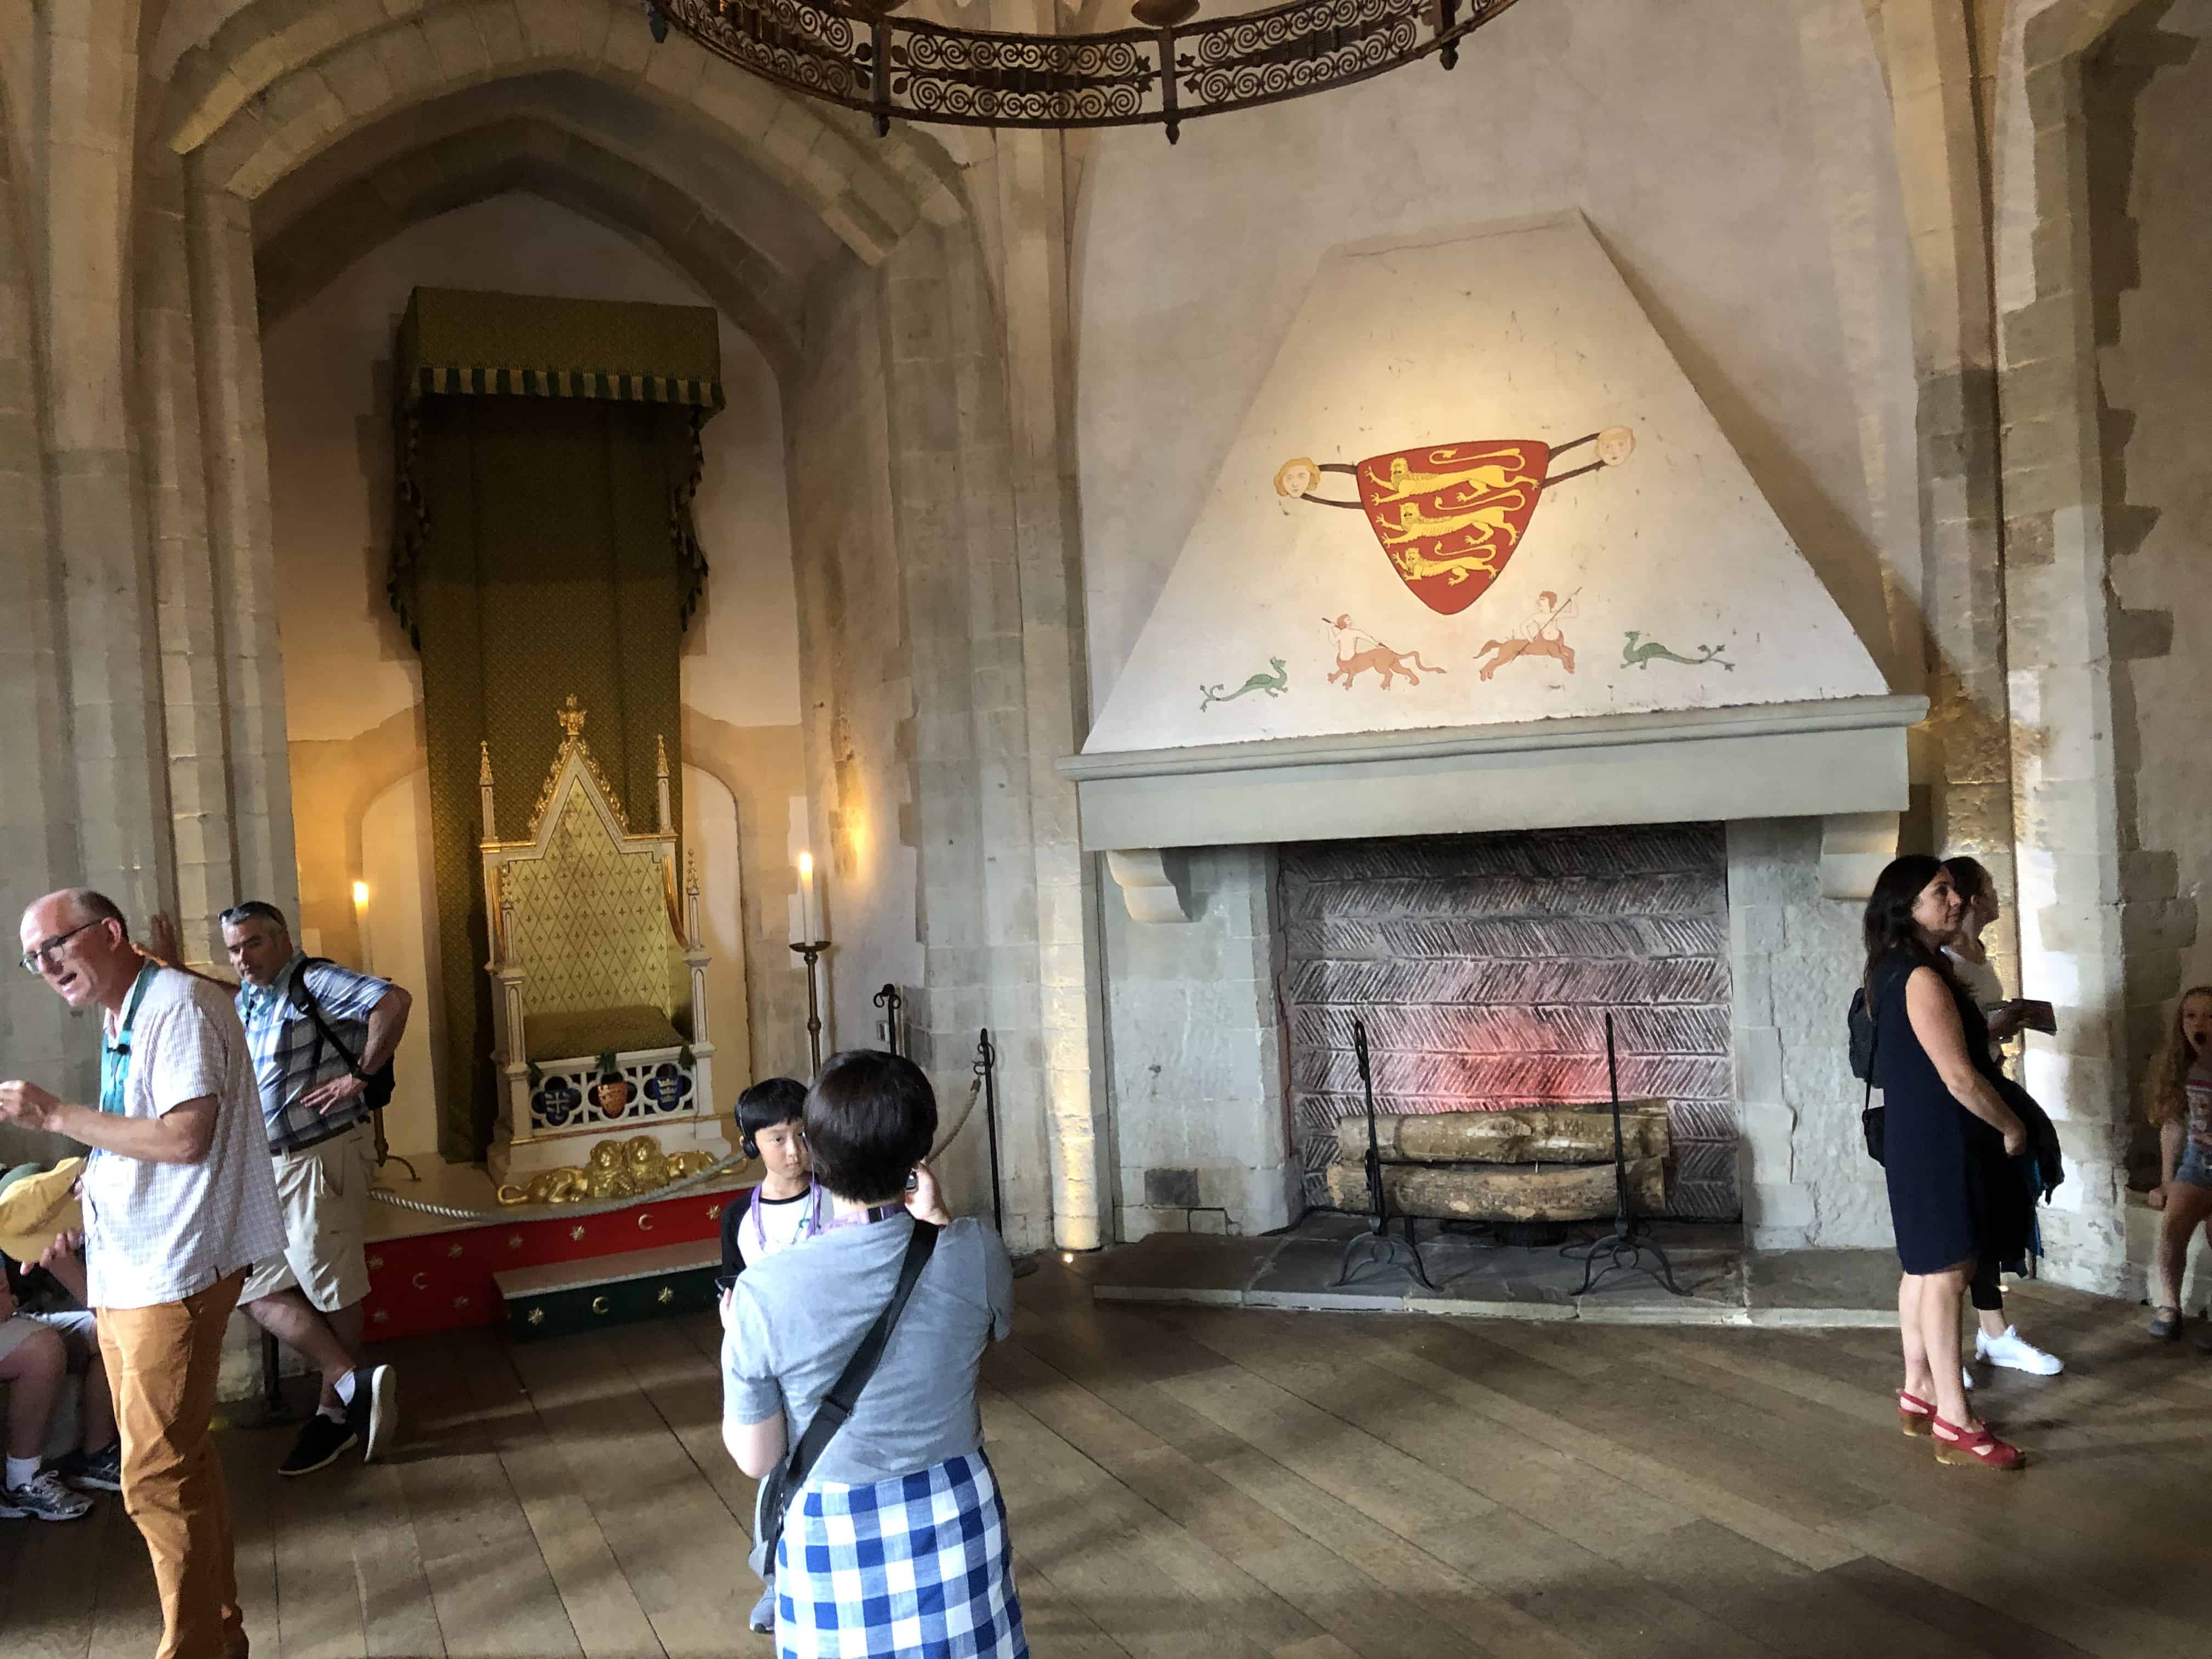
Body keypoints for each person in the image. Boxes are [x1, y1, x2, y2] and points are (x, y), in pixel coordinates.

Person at [0, 888, 286, 1659]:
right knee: (179, 1464)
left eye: (54, 945)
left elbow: (187, 1138)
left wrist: (56, 1116)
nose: (45, 964)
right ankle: (221, 1640)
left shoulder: (179, 1007)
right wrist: (75, 1198)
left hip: (176, 1267)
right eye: (33, 957)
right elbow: (137, 1127)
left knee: (155, 1476)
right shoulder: (125, 1005)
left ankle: (193, 1650)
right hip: (135, 1260)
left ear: (109, 934)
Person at [722, 1050, 1025, 1656]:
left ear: (817, 1152)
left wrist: (737, 1342)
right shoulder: (978, 1250)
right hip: (954, 1505)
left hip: (835, 1519)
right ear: (921, 1151)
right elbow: (987, 1330)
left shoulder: (767, 1290)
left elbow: (758, 1458)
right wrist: (935, 1215)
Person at [210, 901, 403, 1476]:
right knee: (251, 1285)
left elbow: (393, 1001)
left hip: (320, 1157)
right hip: (272, 1166)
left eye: (253, 945)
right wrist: (174, 967)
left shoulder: (314, 979)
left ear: (282, 938)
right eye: (234, 949)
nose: (243, 958)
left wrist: (360, 1075)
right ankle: (352, 1384)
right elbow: (226, 988)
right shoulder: (255, 993)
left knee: (333, 1289)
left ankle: (333, 1415)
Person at [1862, 857, 2032, 1470]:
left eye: (1955, 890)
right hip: (1942, 1142)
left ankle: (1918, 1389)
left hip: (1918, 1139)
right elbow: (1959, 1076)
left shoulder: (1893, 969)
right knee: (1946, 1276)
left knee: (1924, 1270)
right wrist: (2011, 1126)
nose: (1955, 899)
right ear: (1907, 906)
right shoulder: (1922, 978)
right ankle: (1956, 1421)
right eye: (1941, 892)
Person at [1939, 856, 2065, 1377]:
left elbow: (1978, 1028)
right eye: (1988, 889)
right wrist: (1994, 1029)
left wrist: (2004, 1024)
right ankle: (1938, 1357)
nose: (1995, 897)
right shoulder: (1942, 959)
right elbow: (1950, 1044)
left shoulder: (1975, 951)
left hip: (1991, 1081)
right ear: (1969, 898)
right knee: (1955, 1226)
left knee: (1990, 1211)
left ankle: (1993, 1334)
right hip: (1959, 1099)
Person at [717, 1075, 822, 1634]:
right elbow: (732, 1288)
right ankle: (777, 1582)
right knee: (774, 1478)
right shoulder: (739, 1215)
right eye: (778, 1139)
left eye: (804, 1137)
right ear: (750, 1144)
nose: (794, 1153)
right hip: (769, 1362)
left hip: (825, 1357)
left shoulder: (834, 1196)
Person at [0, 1236, 97, 1521]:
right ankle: (20, 1483)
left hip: (19, 1314)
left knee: (108, 1332)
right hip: (14, 1319)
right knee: (42, 1350)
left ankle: (97, 1455)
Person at [2144, 984, 2212, 1348]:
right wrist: (2166, 1182)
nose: (2200, 1023)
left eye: (2210, 1015)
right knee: (2172, 1229)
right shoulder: (2178, 1066)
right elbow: (2172, 1126)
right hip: (2198, 1162)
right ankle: (2170, 1306)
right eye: (2191, 1015)